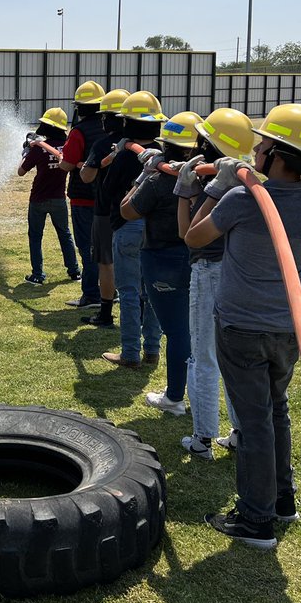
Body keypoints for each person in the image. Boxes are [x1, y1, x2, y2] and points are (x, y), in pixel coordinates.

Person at [185, 103, 301, 549]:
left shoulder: (241, 200)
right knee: (276, 412)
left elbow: (194, 238)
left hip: (242, 327)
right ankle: (282, 499)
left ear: (279, 155)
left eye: (264, 144)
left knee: (254, 423)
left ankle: (255, 519)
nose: (256, 150)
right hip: (289, 329)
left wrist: (217, 188)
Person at [173, 107, 256, 459]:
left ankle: (203, 438)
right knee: (232, 359)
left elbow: (187, 234)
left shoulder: (221, 187)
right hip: (238, 274)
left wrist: (184, 192)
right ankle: (239, 433)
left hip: (208, 270)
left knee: (203, 357)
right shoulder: (247, 182)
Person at [121, 110, 202, 415]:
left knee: (178, 332)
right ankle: (195, 395)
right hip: (194, 258)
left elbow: (127, 210)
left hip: (161, 259)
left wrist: (144, 174)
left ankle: (175, 397)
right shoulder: (204, 176)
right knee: (194, 331)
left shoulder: (158, 181)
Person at [100, 91, 164, 367]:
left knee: (128, 292)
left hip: (127, 228)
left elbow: (107, 189)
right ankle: (152, 349)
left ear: (126, 124)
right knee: (150, 292)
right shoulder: (162, 155)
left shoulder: (126, 157)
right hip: (154, 230)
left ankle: (129, 353)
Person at [77, 89, 130, 328]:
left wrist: (96, 163)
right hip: (137, 211)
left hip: (105, 210)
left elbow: (86, 176)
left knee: (105, 262)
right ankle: (137, 313)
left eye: (105, 115)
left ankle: (106, 312)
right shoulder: (146, 147)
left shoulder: (102, 145)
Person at [17, 107, 80, 285]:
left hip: (38, 199)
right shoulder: (66, 147)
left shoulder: (39, 149)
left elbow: (21, 171)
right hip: (59, 198)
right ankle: (74, 271)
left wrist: (26, 153)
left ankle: (37, 274)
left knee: (35, 236)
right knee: (65, 234)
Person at [58, 81, 105, 308]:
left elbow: (66, 166)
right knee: (105, 246)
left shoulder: (78, 132)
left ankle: (91, 295)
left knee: (87, 248)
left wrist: (63, 159)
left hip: (82, 197)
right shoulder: (111, 129)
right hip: (106, 197)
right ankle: (108, 290)